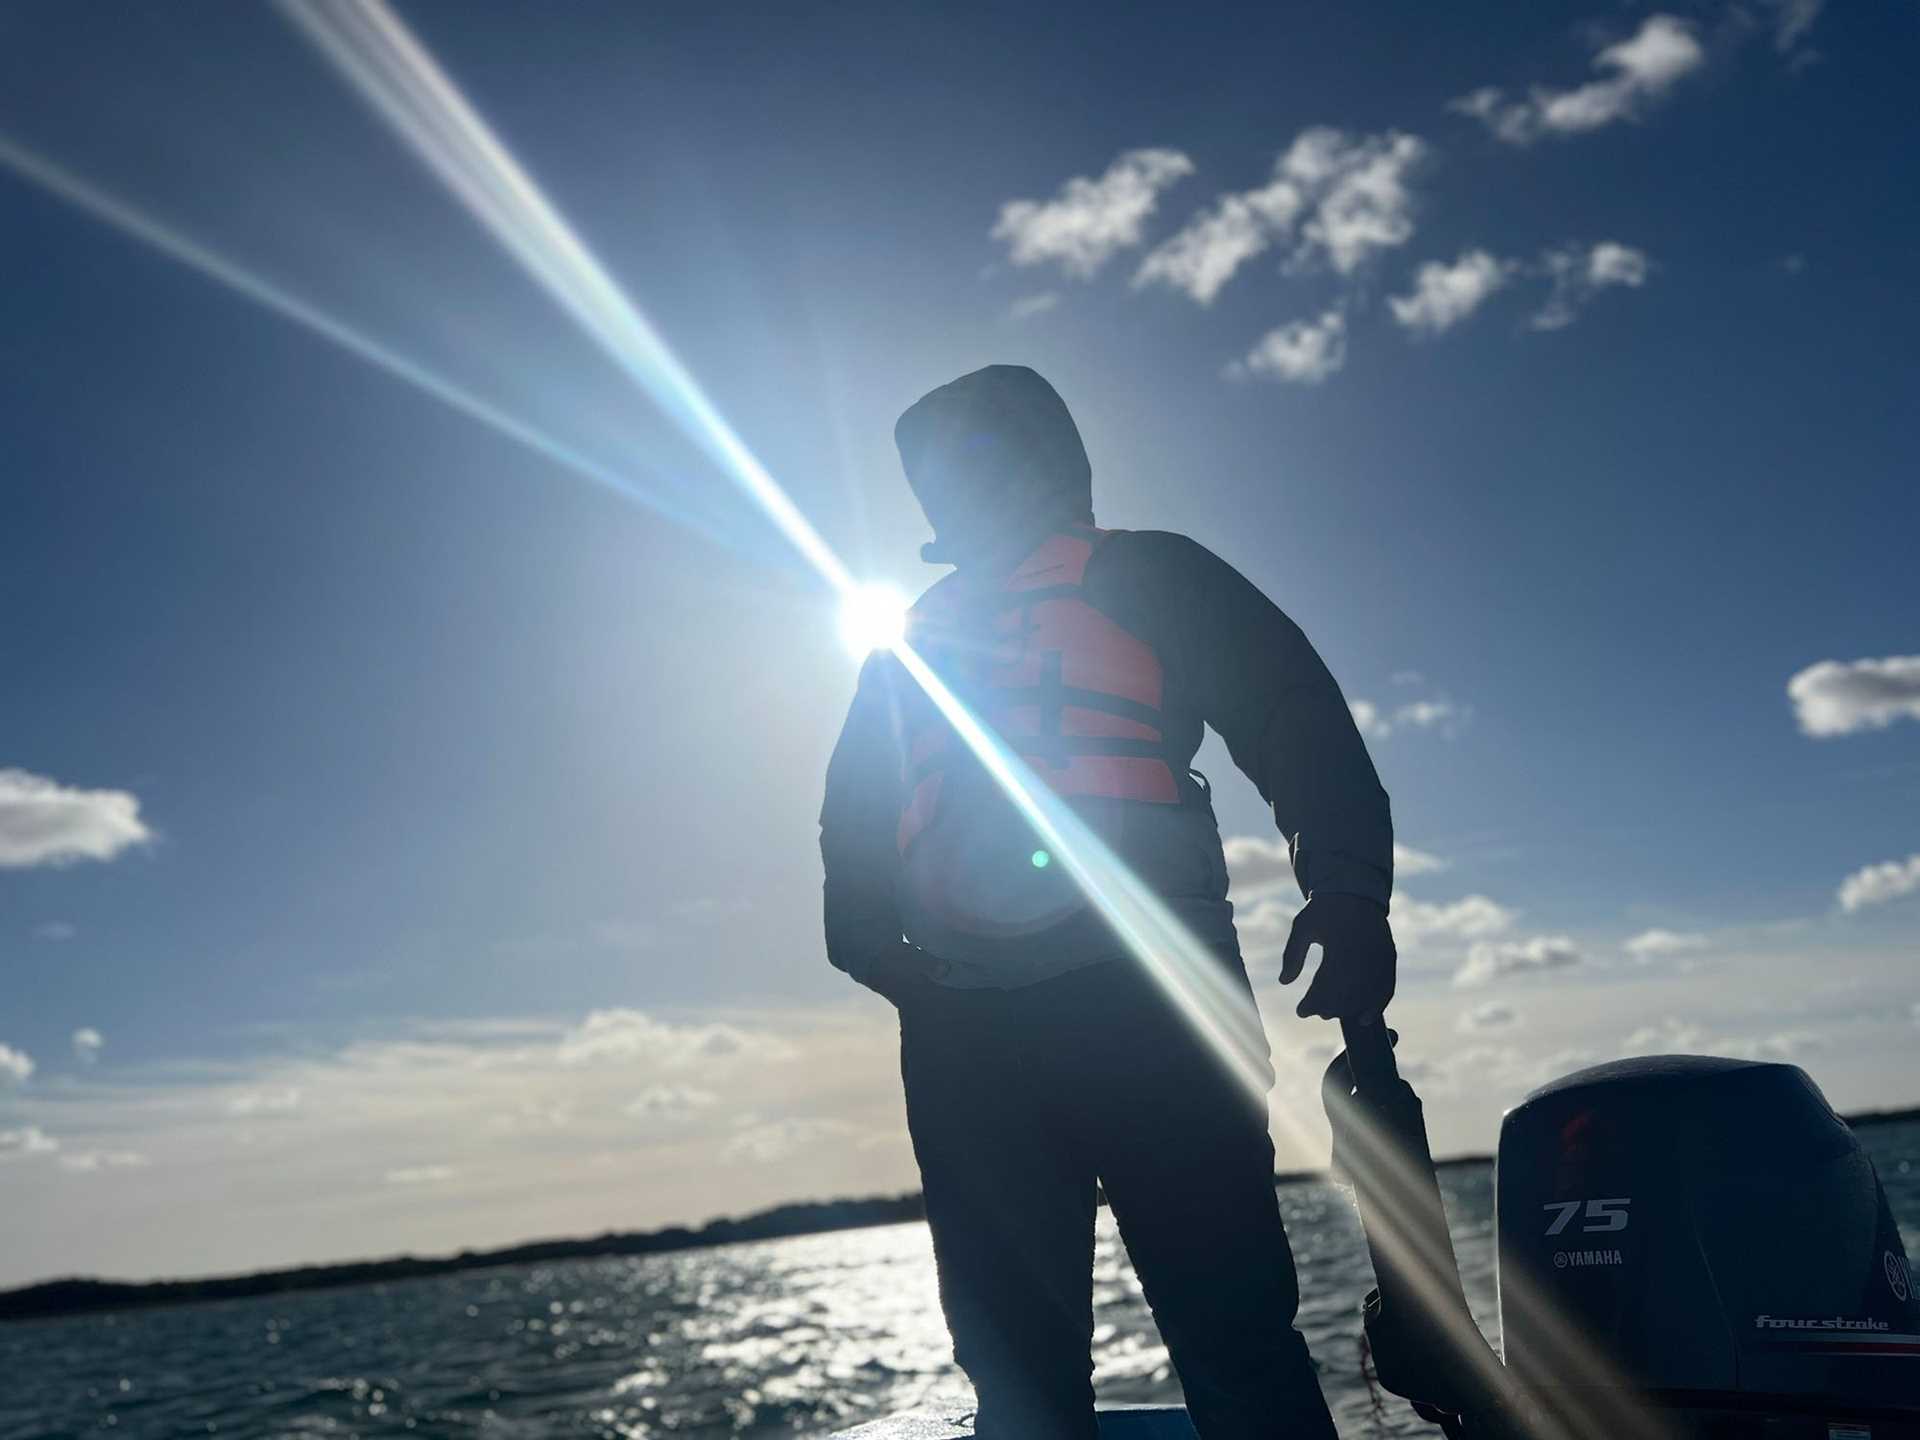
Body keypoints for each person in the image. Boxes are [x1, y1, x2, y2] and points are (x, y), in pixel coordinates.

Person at [819, 364, 1397, 1439]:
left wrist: (1350, 891)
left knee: (1231, 1336)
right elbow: (854, 812)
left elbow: (1291, 716)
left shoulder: (1150, 575)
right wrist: (872, 948)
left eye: (976, 461)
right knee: (1017, 1372)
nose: (956, 489)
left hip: (1156, 995)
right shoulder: (908, 642)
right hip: (965, 1030)